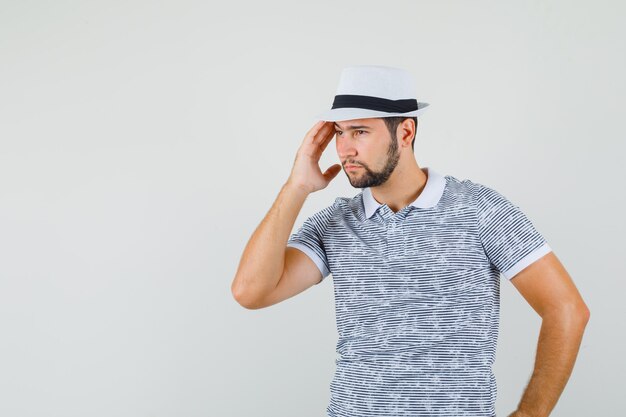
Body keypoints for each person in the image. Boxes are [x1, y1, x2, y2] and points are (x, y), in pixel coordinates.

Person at [231, 65, 590, 417]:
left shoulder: (479, 209)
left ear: (405, 131)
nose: (344, 149)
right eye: (339, 133)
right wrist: (296, 187)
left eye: (359, 132)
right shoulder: (336, 222)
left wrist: (531, 412)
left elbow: (566, 309)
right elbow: (251, 291)